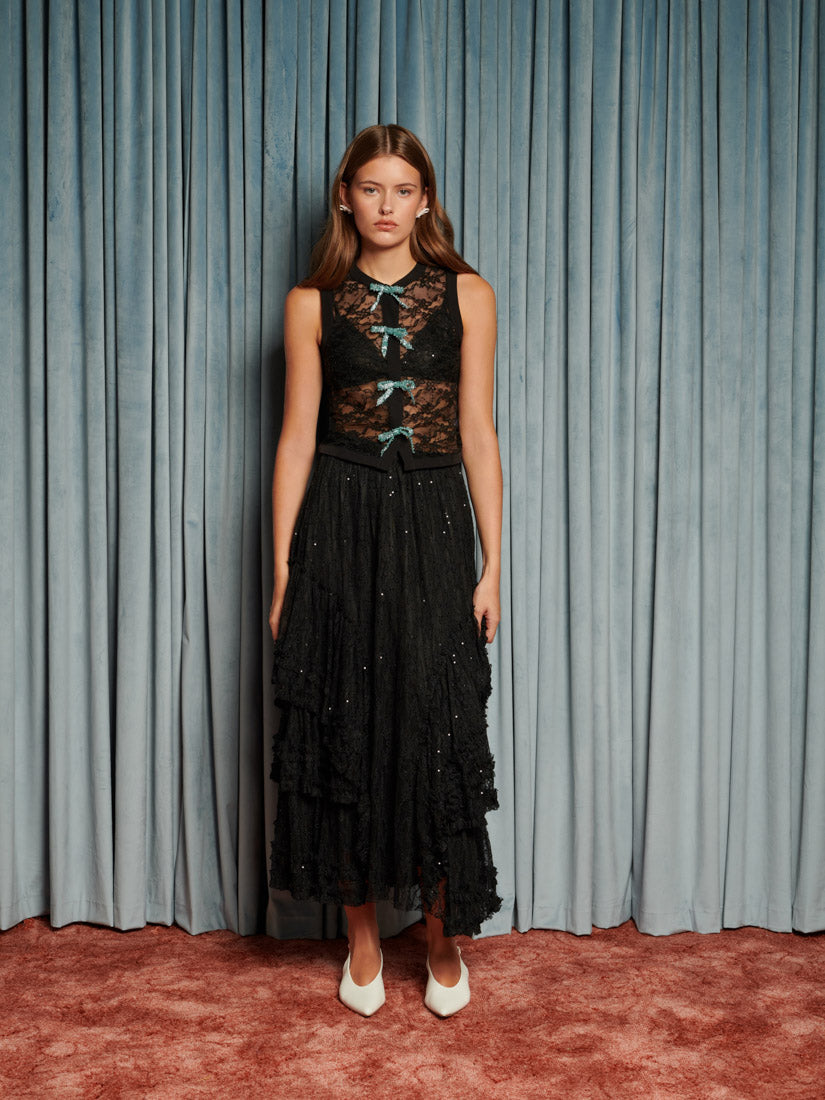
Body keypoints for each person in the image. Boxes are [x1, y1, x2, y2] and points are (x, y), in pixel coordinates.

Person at [268, 124, 502, 1018]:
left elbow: (477, 432)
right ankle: (362, 938)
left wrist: (493, 565)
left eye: (403, 190)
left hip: (436, 521)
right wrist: (283, 568)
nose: (386, 206)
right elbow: (296, 439)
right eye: (370, 188)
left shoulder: (469, 294)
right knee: (346, 719)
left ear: (425, 201)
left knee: (438, 719)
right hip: (339, 519)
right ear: (345, 197)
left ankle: (440, 937)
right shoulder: (310, 303)